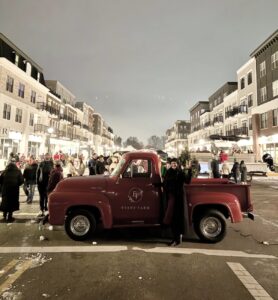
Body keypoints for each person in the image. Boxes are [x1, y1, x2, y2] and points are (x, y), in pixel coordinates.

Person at [163, 158, 186, 246]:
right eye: (172, 163)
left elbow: (187, 180)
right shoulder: (168, 172)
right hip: (171, 197)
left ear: (177, 164)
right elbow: (165, 183)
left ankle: (176, 239)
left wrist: (189, 170)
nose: (174, 164)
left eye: (175, 163)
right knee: (172, 219)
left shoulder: (180, 172)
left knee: (175, 218)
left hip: (178, 199)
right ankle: (176, 238)